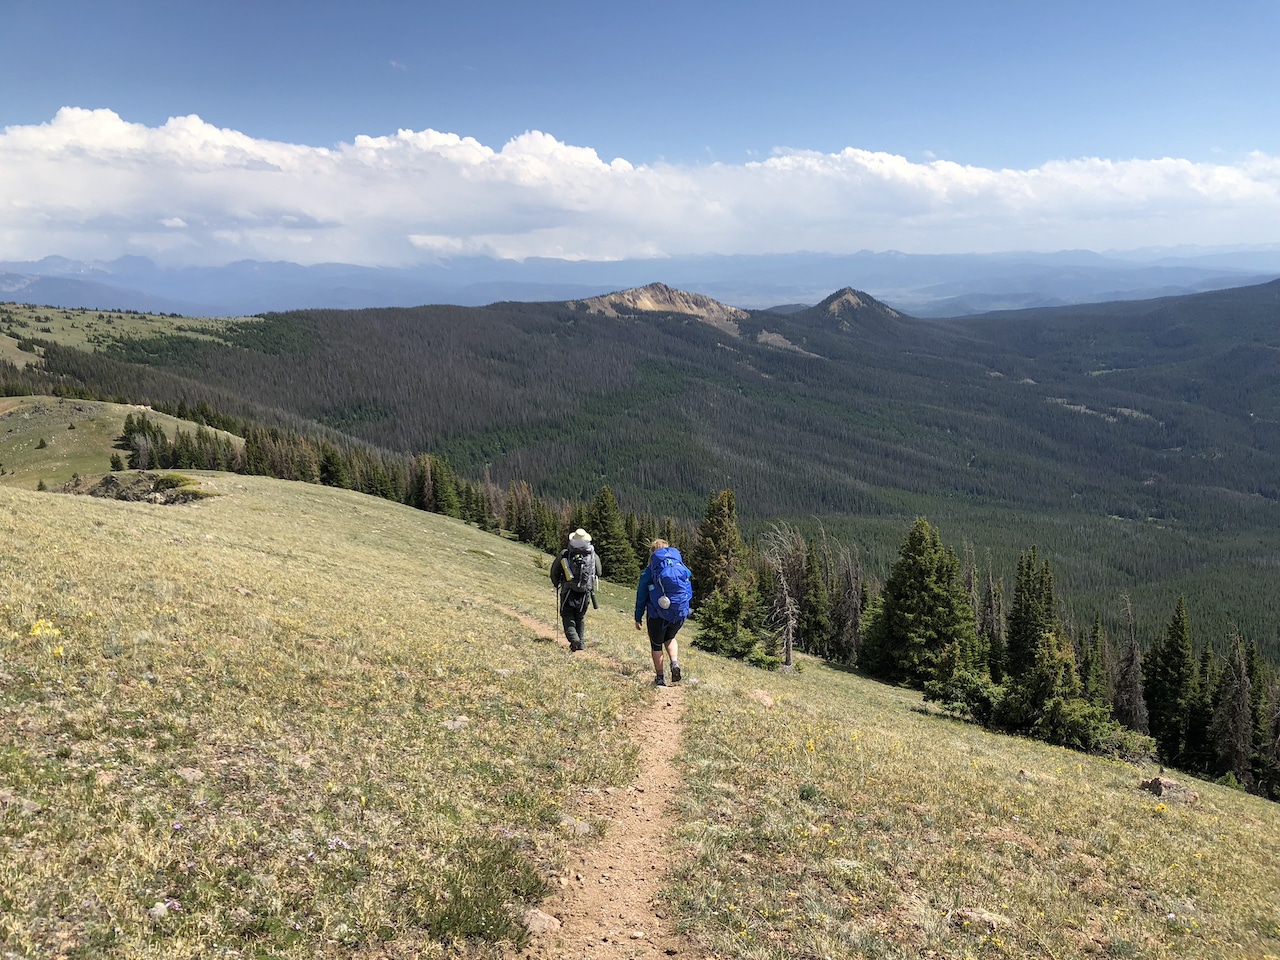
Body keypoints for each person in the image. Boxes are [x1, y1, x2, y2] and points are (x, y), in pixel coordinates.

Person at [634, 538, 692, 686]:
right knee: (670, 637)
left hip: (656, 613)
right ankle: (674, 663)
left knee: (656, 644)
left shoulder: (649, 572)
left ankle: (660, 678)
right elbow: (688, 575)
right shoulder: (680, 566)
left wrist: (638, 616)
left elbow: (641, 595)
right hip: (678, 612)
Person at [550, 527, 602, 651]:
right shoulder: (592, 555)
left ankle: (574, 639)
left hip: (568, 590)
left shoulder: (565, 554)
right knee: (580, 616)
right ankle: (581, 643)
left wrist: (556, 583)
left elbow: (554, 571)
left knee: (567, 614)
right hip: (585, 592)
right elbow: (599, 572)